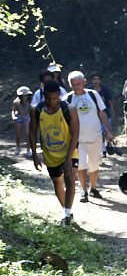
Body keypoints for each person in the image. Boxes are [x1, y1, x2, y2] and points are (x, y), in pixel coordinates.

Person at [29, 83, 79, 226]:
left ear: (59, 95)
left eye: (55, 98)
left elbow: (75, 134)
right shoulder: (37, 110)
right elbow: (32, 132)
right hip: (50, 154)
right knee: (57, 182)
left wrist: (68, 158)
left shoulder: (69, 109)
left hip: (69, 150)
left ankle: (67, 215)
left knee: (70, 179)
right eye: (48, 99)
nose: (52, 102)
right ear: (43, 96)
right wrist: (34, 155)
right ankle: (66, 210)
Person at [65, 71, 112, 203]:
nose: (76, 87)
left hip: (95, 136)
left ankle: (93, 188)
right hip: (77, 139)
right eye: (73, 84)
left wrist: (108, 130)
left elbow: (102, 113)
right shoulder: (67, 99)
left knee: (94, 164)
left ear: (84, 82)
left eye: (79, 83)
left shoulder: (93, 94)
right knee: (81, 165)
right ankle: (83, 190)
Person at [88, 73, 115, 153]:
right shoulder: (89, 91)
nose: (96, 81)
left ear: (100, 80)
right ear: (91, 80)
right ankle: (102, 149)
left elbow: (110, 101)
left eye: (98, 79)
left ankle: (108, 146)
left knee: (107, 131)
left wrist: (113, 112)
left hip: (105, 113)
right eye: (94, 79)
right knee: (100, 132)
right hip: (94, 115)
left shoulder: (105, 89)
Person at [12, 86, 32, 157]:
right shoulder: (16, 102)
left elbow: (31, 110)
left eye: (26, 95)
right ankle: (18, 147)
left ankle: (28, 149)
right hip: (18, 117)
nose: (25, 97)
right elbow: (13, 111)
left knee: (27, 134)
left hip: (26, 117)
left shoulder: (29, 102)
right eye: (24, 95)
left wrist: (31, 117)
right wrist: (14, 117)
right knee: (18, 134)